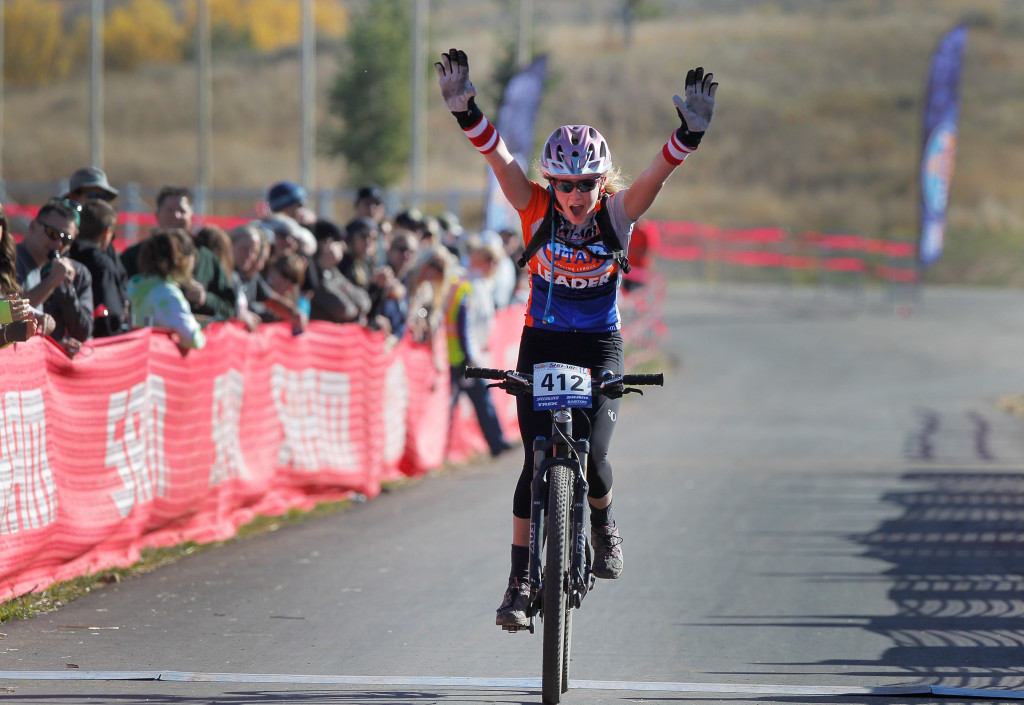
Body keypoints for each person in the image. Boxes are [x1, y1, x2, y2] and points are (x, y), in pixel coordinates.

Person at [435, 47, 717, 627]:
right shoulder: (534, 208)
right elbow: (499, 159)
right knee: (532, 464)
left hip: (598, 345)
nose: (575, 194)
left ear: (600, 182)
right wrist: (467, 113)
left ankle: (603, 525)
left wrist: (687, 136)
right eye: (564, 184)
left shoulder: (617, 215)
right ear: (551, 184)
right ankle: (519, 581)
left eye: (586, 183)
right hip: (542, 341)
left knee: (597, 456)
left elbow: (655, 177)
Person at [122, 186, 238, 323]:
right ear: (157, 215)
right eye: (169, 211)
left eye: (182, 211)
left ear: (191, 216)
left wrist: (205, 299)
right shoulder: (135, 255)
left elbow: (230, 308)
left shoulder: (206, 259)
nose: (176, 216)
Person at [15, 198, 94, 353]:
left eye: (66, 239)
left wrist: (55, 346)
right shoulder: (10, 260)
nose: (58, 243)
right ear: (33, 226)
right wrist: (52, 281)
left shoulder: (51, 267)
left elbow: (83, 332)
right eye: (52, 233)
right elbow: (10, 315)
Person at [126, 228, 206, 352]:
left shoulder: (134, 284)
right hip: (157, 359)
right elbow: (193, 338)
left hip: (136, 355)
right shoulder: (168, 293)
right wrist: (202, 332)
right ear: (180, 260)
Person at [69, 199, 130, 337]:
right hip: (95, 342)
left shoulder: (64, 254)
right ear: (106, 232)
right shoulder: (103, 264)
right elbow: (110, 317)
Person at [307, 219, 371, 325]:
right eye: (338, 241)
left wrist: (348, 291)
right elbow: (344, 309)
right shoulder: (311, 273)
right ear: (324, 243)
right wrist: (347, 294)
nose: (344, 246)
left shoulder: (333, 271)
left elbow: (365, 302)